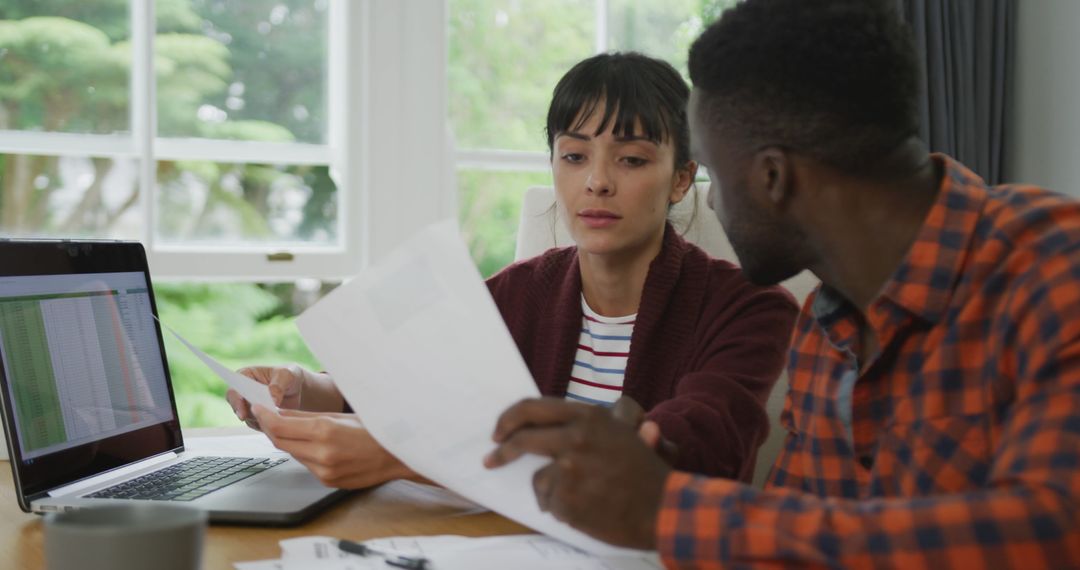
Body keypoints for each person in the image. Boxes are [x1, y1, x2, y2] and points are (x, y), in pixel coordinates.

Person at [483, 0, 1080, 566]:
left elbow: (1055, 531)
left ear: (773, 178)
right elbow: (788, 537)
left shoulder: (1054, 264)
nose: (712, 205)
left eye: (715, 173)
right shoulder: (827, 332)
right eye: (574, 156)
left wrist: (667, 509)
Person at [228, 52, 799, 488]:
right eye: (574, 156)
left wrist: (403, 459)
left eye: (631, 159)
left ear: (681, 178)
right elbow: (405, 386)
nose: (596, 181)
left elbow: (688, 453)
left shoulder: (751, 309)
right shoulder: (520, 291)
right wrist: (303, 390)